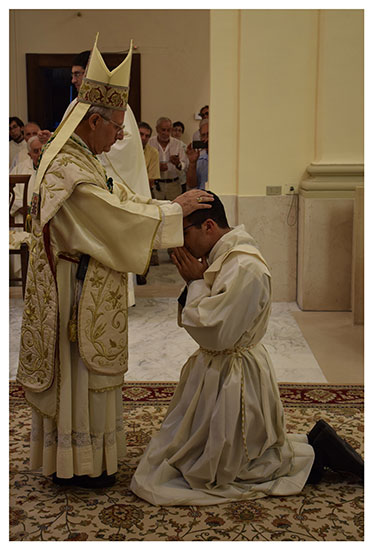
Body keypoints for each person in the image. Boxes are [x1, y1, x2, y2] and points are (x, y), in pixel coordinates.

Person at [16, 35, 214, 490]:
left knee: (90, 378)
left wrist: (164, 212)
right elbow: (112, 216)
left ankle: (89, 456)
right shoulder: (71, 169)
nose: (123, 134)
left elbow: (123, 197)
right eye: (117, 125)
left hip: (86, 283)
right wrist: (172, 210)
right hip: (75, 292)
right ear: (92, 121)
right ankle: (79, 465)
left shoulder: (86, 157)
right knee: (80, 377)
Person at [131, 192, 364, 505]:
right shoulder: (223, 256)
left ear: (209, 226)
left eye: (183, 233)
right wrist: (197, 281)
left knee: (225, 472)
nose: (178, 244)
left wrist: (196, 283)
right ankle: (314, 444)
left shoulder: (244, 266)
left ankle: (316, 454)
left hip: (234, 376)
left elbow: (218, 334)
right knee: (185, 454)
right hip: (220, 369)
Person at [137, 121, 161, 282]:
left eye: (147, 136)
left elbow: (151, 180)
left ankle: (141, 270)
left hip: (144, 195)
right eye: (141, 134)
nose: (144, 138)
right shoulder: (123, 149)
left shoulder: (152, 153)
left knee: (144, 235)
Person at [149, 117, 188, 201]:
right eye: (163, 130)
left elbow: (185, 164)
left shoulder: (177, 144)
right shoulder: (150, 143)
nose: (166, 133)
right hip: (156, 185)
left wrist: (178, 164)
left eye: (168, 130)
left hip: (174, 184)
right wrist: (156, 167)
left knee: (174, 210)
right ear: (157, 129)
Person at [186, 119, 208, 190]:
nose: (206, 139)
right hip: (202, 197)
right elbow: (191, 185)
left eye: (208, 134)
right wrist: (192, 163)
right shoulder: (200, 158)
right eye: (203, 135)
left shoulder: (225, 156)